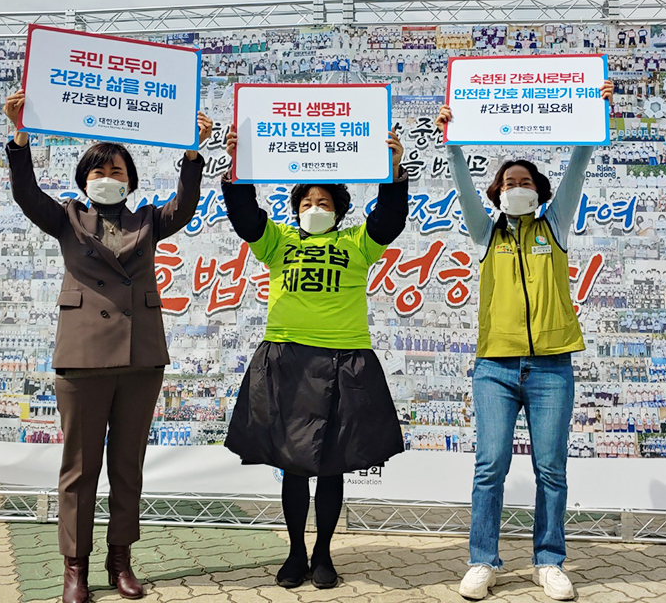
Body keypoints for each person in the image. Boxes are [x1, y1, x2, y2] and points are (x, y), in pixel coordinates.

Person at [3, 89, 211, 603]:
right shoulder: (67, 218)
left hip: (140, 358)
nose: (107, 177)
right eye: (98, 171)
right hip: (82, 357)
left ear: (130, 180)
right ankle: (75, 569)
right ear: (84, 180)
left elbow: (184, 205)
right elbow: (27, 195)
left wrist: (191, 153)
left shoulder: (148, 221)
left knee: (126, 464)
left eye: (116, 170)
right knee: (79, 468)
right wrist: (19, 136)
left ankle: (122, 563)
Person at [437, 80, 613, 603]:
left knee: (550, 468)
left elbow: (579, 165)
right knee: (490, 465)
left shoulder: (554, 227)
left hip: (552, 368)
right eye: (508, 180)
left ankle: (549, 561)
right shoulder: (485, 230)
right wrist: (452, 140)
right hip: (495, 366)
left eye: (525, 180)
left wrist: (593, 116)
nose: (516, 185)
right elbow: (465, 189)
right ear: (498, 191)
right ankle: (482, 561)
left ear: (538, 190)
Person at [219, 124, 408, 590]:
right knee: (294, 464)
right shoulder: (280, 242)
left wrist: (394, 171)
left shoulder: (356, 244)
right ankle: (294, 551)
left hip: (347, 361)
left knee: (332, 464)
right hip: (288, 360)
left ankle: (323, 552)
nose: (314, 209)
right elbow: (246, 217)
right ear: (296, 210)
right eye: (306, 203)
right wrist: (238, 168)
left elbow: (388, 219)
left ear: (340, 211)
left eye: (324, 203)